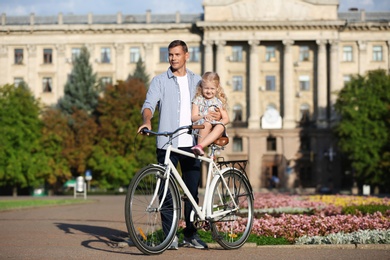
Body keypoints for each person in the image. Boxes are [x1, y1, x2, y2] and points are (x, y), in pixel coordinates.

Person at [137, 40, 220, 250]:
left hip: (193, 143)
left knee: (191, 192)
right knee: (165, 192)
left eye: (177, 54)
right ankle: (169, 236)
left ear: (186, 55)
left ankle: (191, 234)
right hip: (167, 143)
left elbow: (212, 102)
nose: (173, 58)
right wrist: (147, 120)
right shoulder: (159, 81)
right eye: (170, 54)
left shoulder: (197, 81)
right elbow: (149, 105)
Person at [191, 72, 229, 156]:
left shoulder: (218, 102)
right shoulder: (198, 100)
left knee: (221, 126)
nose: (209, 91)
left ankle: (199, 146)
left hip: (214, 129)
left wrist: (219, 123)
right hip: (201, 127)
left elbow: (226, 119)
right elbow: (193, 117)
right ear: (201, 87)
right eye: (206, 88)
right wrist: (204, 116)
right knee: (207, 124)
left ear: (217, 88)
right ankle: (199, 146)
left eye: (212, 89)